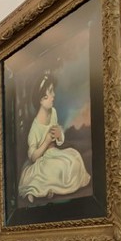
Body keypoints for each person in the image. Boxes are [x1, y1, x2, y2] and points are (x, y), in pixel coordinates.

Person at [18, 73, 91, 204]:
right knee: (56, 168)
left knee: (75, 158)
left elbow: (59, 138)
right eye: (50, 92)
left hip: (54, 153)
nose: (54, 95)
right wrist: (46, 142)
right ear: (41, 98)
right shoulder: (35, 128)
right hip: (42, 160)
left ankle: (49, 188)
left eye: (53, 91)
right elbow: (33, 157)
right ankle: (41, 190)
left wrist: (59, 135)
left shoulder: (53, 113)